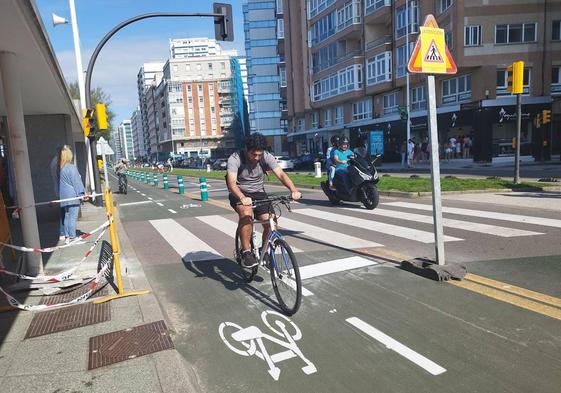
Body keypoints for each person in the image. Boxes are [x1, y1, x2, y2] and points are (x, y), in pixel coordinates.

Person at [226, 133, 301, 268]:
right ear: (246, 149)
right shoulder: (235, 158)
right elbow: (231, 183)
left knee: (271, 220)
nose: (257, 158)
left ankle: (264, 250)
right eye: (253, 155)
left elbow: (281, 174)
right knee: (247, 214)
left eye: (259, 155)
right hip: (239, 192)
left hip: (259, 192)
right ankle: (246, 252)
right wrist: (242, 198)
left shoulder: (266, 156)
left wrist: (293, 190)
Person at [57, 145, 88, 244]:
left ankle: (67, 236)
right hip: (72, 196)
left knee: (66, 216)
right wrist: (82, 194)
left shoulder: (62, 168)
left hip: (64, 197)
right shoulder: (71, 167)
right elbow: (76, 182)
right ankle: (72, 237)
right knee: (72, 218)